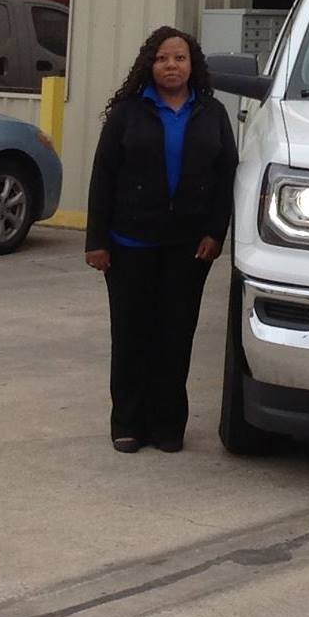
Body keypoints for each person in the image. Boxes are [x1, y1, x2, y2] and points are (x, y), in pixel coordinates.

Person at [84, 27, 237, 453]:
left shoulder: (211, 112)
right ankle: (128, 424)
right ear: (149, 65)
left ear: (193, 65)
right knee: (131, 336)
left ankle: (168, 426)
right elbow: (103, 176)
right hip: (129, 244)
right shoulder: (127, 113)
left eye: (180, 58)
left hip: (188, 248)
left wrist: (215, 232)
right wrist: (96, 240)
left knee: (175, 337)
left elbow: (227, 175)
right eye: (163, 58)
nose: (172, 66)